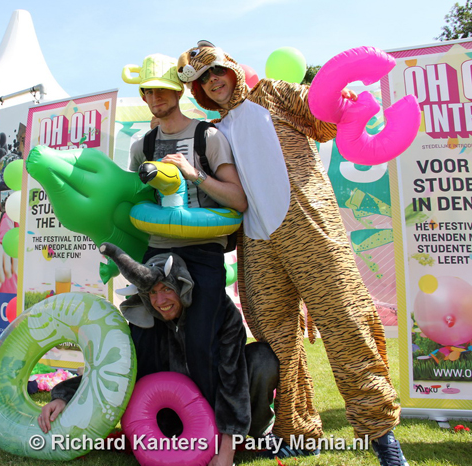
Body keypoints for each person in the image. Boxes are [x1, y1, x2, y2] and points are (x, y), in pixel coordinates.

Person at [177, 42, 407, 465]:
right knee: (276, 341)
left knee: (346, 323)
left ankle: (381, 434)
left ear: (230, 68)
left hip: (310, 230)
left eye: (216, 72)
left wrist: (345, 102)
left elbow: (325, 119)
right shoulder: (214, 132)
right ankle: (296, 428)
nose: (213, 82)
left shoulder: (275, 93)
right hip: (259, 244)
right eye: (204, 80)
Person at [39, 242, 278, 466]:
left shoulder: (220, 314)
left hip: (220, 407)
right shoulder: (144, 326)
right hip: (174, 422)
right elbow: (116, 370)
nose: (160, 301)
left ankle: (255, 431)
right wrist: (64, 396)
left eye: (167, 289)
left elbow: (232, 377)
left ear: (183, 286)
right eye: (152, 293)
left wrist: (227, 449)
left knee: (262, 358)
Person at [123, 54, 247, 420]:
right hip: (156, 253)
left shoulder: (207, 136)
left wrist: (194, 174)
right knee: (145, 338)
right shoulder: (140, 146)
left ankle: (207, 433)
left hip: (202, 253)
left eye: (163, 89)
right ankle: (154, 428)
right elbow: (136, 203)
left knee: (200, 344)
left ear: (177, 89)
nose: (156, 97)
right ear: (144, 96)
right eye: (149, 91)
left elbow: (238, 199)